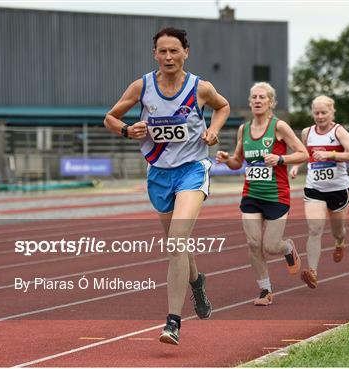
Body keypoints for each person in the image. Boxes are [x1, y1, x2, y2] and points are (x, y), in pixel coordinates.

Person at [104, 27, 230, 345]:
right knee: (179, 246)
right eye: (163, 51)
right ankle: (198, 283)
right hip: (159, 172)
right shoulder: (142, 86)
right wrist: (127, 130)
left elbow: (223, 106)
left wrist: (213, 130)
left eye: (175, 50)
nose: (169, 57)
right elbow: (110, 117)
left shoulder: (200, 87)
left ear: (186, 52)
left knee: (175, 242)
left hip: (192, 169)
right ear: (155, 54)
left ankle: (172, 322)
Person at [216, 82, 308, 305]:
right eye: (254, 97)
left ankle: (287, 247)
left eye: (262, 97)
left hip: (276, 195)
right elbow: (238, 162)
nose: (257, 101)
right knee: (253, 243)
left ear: (271, 102)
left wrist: (281, 159)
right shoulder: (244, 129)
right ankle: (265, 291)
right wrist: (227, 159)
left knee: (270, 246)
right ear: (249, 102)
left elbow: (303, 153)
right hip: (251, 195)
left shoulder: (279, 127)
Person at [289, 96, 349, 289]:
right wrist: (296, 166)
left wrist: (331, 154)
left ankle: (340, 242)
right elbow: (304, 153)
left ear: (332, 112)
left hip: (338, 189)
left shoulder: (339, 132)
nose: (320, 116)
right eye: (316, 113)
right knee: (314, 229)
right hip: (315, 188)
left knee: (337, 231)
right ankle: (312, 272)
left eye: (324, 113)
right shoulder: (307, 132)